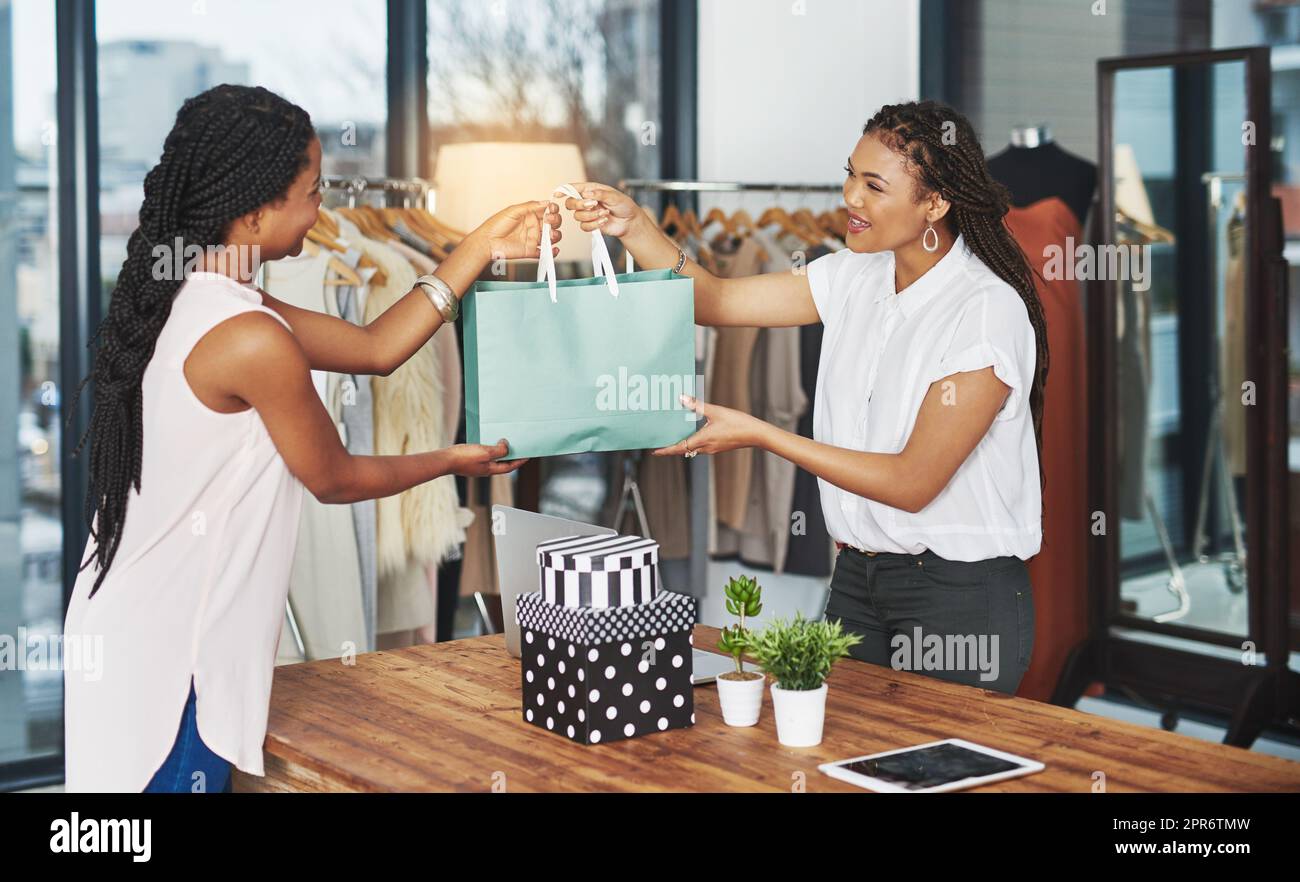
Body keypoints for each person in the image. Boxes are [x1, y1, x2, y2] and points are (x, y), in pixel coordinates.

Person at [61, 84, 562, 792]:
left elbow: (375, 345)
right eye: (312, 191)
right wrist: (451, 461)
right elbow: (335, 480)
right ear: (259, 206)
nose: (322, 209)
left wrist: (480, 245)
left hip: (130, 632)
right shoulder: (249, 337)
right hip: (174, 664)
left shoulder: (197, 297)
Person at [564, 100, 1047, 695]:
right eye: (850, 174)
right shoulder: (853, 275)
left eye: (874, 185)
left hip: (958, 600)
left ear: (935, 203)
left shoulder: (983, 310)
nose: (851, 197)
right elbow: (717, 301)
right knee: (842, 765)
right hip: (857, 582)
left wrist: (762, 433)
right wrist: (634, 226)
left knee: (935, 778)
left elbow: (912, 482)